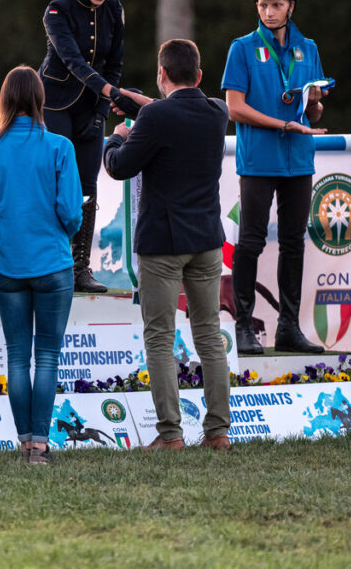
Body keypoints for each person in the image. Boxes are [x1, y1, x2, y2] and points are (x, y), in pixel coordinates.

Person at [104, 39, 232, 452]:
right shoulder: (217, 112)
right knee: (209, 335)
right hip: (208, 240)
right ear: (199, 75)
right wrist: (144, 106)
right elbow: (176, 109)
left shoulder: (154, 118)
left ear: (161, 75)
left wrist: (117, 137)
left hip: (163, 241)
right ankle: (217, 432)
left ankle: (171, 433)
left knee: (159, 337)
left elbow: (120, 168)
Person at [0, 66, 82, 465]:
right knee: (47, 356)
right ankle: (41, 445)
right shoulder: (59, 147)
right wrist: (60, 227)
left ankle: (23, 442)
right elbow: (71, 212)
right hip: (53, 262)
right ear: (40, 99)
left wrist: (7, 222)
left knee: (17, 357)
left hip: (9, 264)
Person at [221, 0, 328, 355]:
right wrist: (284, 123)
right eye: (263, 5)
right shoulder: (242, 47)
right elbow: (235, 109)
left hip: (298, 159)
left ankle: (289, 327)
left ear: (291, 7)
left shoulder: (308, 48)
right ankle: (244, 327)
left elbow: (311, 115)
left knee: (294, 244)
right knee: (250, 242)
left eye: (276, 5)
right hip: (258, 161)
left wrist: (314, 101)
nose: (268, 11)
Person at [39, 0, 137, 294]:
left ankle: (80, 266)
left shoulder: (115, 10)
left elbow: (115, 64)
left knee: (88, 186)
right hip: (54, 103)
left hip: (91, 106)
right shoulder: (57, 10)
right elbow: (73, 62)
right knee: (56, 182)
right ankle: (51, 263)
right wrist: (111, 94)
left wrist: (100, 111)